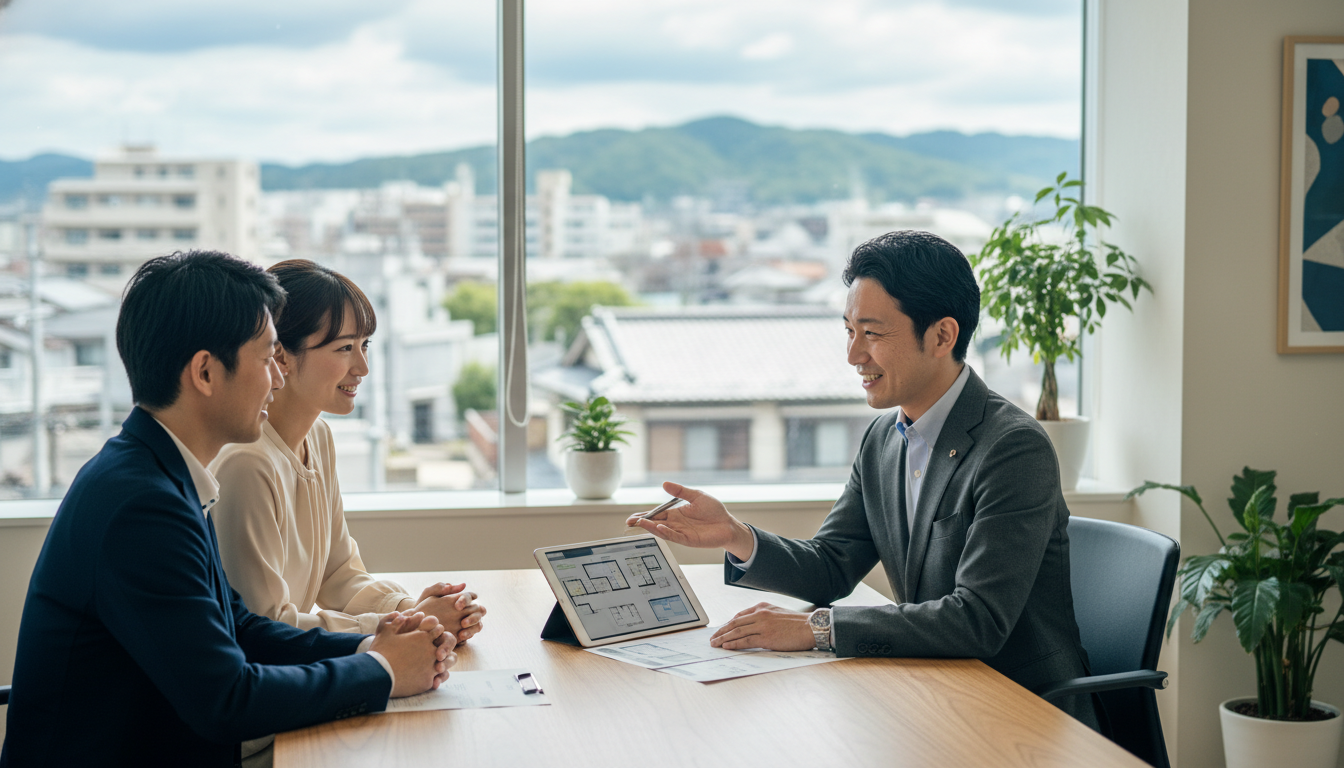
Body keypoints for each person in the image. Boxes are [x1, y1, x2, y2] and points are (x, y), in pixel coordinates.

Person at [627, 230, 1099, 728]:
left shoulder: (1012, 448)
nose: (854, 355)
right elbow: (832, 566)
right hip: (936, 692)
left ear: (942, 336)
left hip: (1022, 711)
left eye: (872, 334)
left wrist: (818, 628)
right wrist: (736, 535)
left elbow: (977, 620)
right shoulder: (883, 439)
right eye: (849, 331)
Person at [1, 251, 455, 768]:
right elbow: (226, 700)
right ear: (205, 372)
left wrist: (371, 647)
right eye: (266, 359)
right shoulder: (142, 506)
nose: (277, 379)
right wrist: (383, 671)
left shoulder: (159, 473)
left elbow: (241, 627)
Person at [210, 259, 486, 644]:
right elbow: (266, 626)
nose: (362, 367)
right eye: (344, 348)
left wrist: (414, 610)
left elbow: (337, 573)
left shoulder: (318, 437)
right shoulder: (246, 464)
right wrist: (398, 627)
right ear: (281, 356)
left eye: (364, 345)